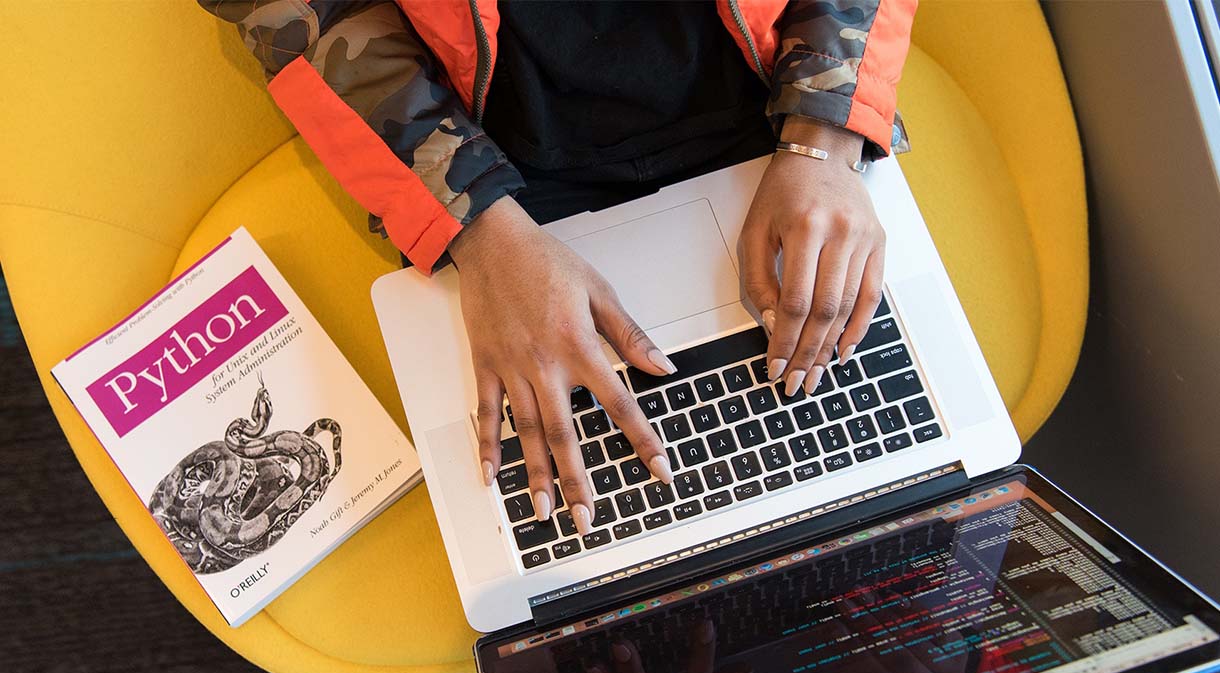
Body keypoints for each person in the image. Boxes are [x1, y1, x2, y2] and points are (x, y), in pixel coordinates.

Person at [202, 0, 916, 537]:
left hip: (779, 108)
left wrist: (826, 127)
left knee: (894, 504)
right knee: (588, 556)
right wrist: (474, 221)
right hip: (494, 173)